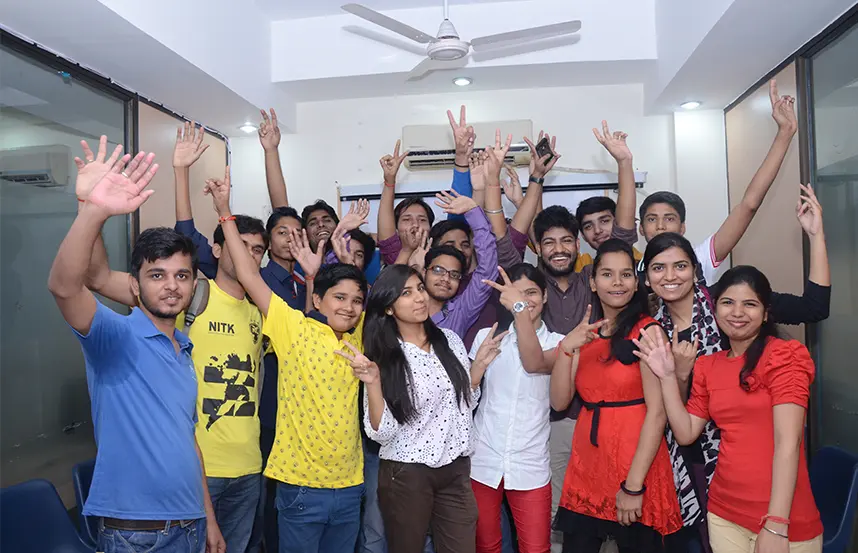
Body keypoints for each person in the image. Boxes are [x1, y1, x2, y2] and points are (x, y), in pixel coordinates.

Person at [49, 145, 225, 553]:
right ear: (135, 284)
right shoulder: (115, 337)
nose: (171, 285)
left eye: (182, 276)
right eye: (157, 275)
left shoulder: (184, 349)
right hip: (138, 535)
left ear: (193, 285)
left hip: (190, 525)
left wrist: (208, 519)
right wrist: (92, 210)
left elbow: (187, 442)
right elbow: (64, 287)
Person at [640, 184, 830, 550]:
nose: (671, 276)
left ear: (696, 271)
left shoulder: (730, 300)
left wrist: (816, 236)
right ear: (647, 277)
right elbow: (675, 416)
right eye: (659, 268)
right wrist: (676, 373)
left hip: (750, 468)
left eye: (680, 266)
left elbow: (814, 308)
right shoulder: (651, 329)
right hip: (685, 462)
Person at [205, 169, 369, 553]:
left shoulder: (358, 337)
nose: (349, 307)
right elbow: (249, 275)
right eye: (339, 298)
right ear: (318, 300)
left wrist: (341, 255)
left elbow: (358, 289)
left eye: (356, 301)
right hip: (300, 485)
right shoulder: (293, 329)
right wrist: (225, 211)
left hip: (349, 486)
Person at [338, 264, 495, 553]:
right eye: (406, 293)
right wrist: (373, 383)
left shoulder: (450, 341)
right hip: (407, 472)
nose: (420, 297)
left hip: (455, 468)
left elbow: (463, 406)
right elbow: (382, 433)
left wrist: (479, 369)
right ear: (388, 308)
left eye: (420, 288)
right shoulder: (384, 355)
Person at [549, 239, 682, 553]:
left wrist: (633, 486)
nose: (617, 282)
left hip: (635, 463)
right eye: (607, 274)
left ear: (636, 283)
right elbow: (559, 402)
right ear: (593, 282)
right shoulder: (585, 334)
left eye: (625, 274)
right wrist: (567, 349)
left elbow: (658, 413)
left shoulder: (648, 332)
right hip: (589, 465)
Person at [635, 80, 798, 284]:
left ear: (682, 227)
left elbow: (749, 204)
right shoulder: (629, 274)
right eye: (651, 219)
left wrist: (784, 133)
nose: (660, 226)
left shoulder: (701, 259)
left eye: (669, 218)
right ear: (641, 229)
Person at [468, 264, 566, 553]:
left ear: (545, 296)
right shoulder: (488, 337)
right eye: (517, 294)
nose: (524, 300)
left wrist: (520, 308)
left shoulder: (558, 343)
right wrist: (477, 368)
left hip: (530, 464)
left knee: (536, 548)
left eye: (531, 293)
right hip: (483, 460)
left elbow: (559, 400)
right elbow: (465, 397)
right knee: (486, 546)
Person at [575, 196, 643, 266]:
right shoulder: (584, 267)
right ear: (583, 236)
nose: (597, 230)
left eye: (604, 221)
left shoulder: (644, 264)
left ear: (618, 223)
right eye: (588, 226)